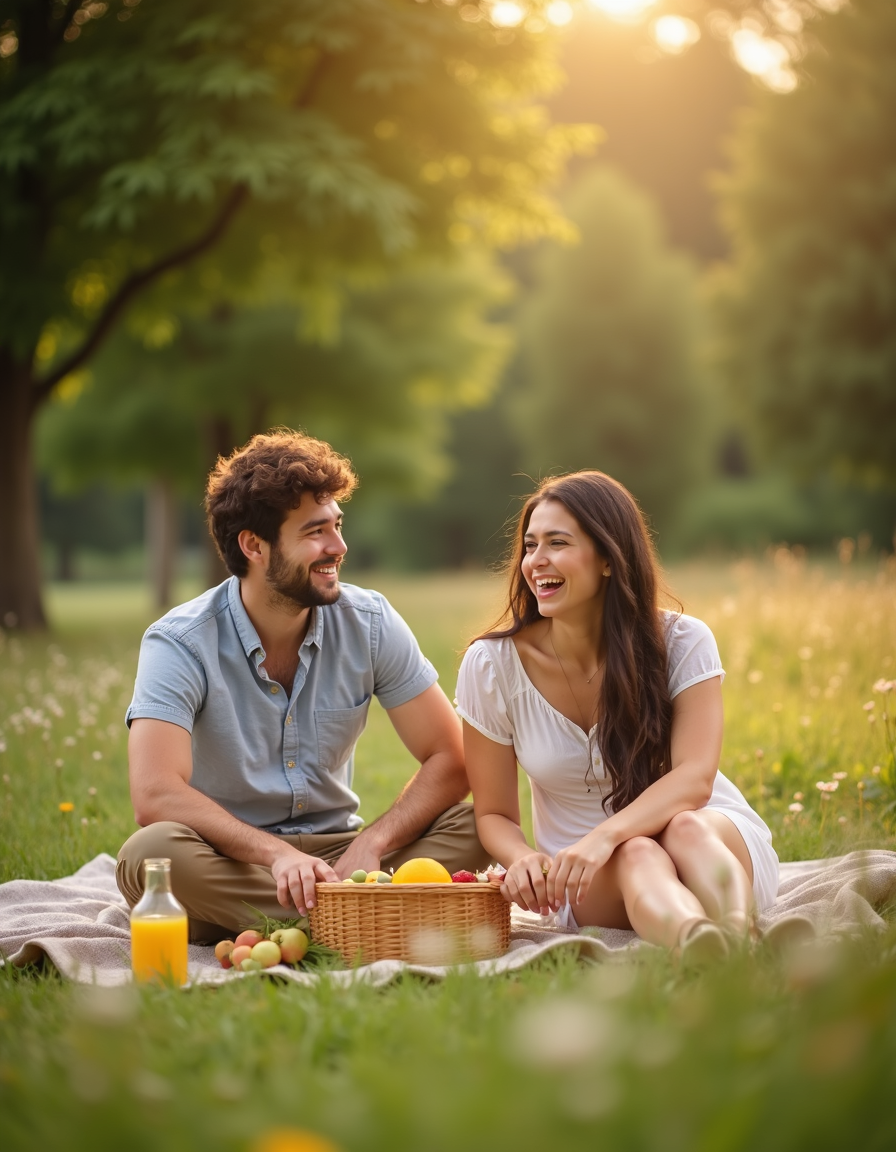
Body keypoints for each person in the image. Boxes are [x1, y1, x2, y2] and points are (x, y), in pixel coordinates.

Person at [117, 430, 489, 942]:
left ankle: (259, 922)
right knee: (150, 854)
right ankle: (366, 914)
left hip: (340, 852)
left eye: (336, 525)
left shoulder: (370, 621)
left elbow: (453, 757)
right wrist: (275, 854)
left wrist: (373, 843)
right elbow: (155, 792)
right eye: (316, 532)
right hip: (233, 857)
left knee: (480, 824)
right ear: (254, 545)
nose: (339, 547)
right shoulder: (179, 642)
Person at [455, 471, 778, 963]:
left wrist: (606, 833)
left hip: (706, 836)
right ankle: (702, 942)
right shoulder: (491, 666)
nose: (536, 561)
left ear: (608, 558)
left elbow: (694, 778)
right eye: (530, 545)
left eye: (557, 543)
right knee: (637, 853)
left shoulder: (682, 641)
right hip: (585, 872)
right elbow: (494, 814)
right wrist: (523, 860)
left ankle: (737, 932)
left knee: (683, 827)